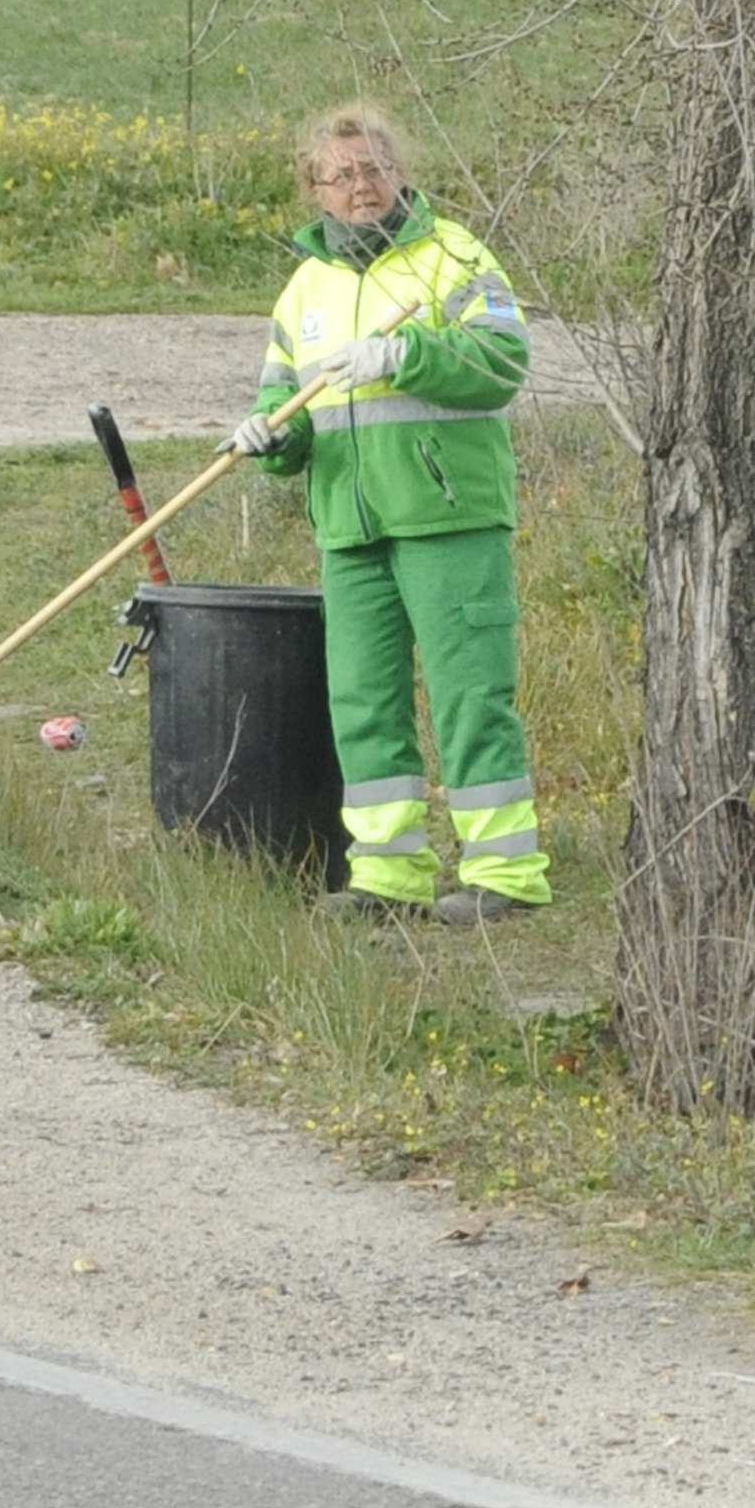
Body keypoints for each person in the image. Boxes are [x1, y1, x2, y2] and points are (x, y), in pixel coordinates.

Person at [229, 103, 550, 923]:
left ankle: (505, 877)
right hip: (351, 526)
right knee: (364, 702)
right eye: (342, 174)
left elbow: (502, 362)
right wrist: (270, 434)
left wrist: (408, 355)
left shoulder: (455, 256)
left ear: (398, 172)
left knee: (471, 695)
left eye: (374, 168)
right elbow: (284, 403)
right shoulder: (304, 287)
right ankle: (389, 877)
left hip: (449, 516)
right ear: (315, 189)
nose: (360, 186)